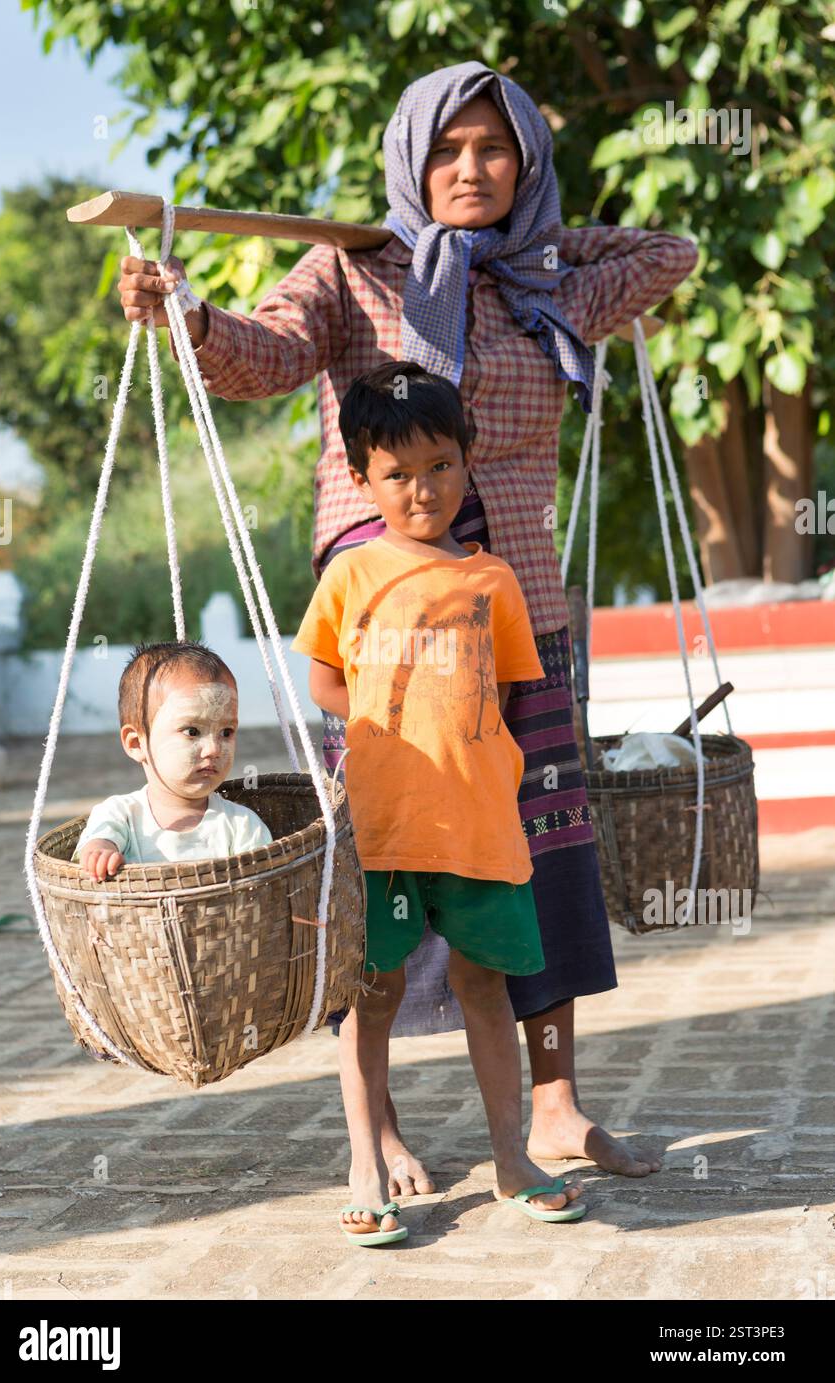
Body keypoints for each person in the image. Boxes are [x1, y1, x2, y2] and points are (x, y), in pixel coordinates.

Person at [117, 59, 698, 1184]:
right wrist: (185, 310)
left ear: (524, 162)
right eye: (444, 152)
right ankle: (372, 1123)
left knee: (537, 860)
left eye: (494, 150)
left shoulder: (548, 287)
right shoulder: (349, 270)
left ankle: (554, 1106)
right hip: (386, 633)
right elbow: (265, 353)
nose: (467, 169)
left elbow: (664, 254)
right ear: (408, 162)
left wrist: (526, 239)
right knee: (379, 868)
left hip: (515, 612)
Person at [292, 361, 587, 1242]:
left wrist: (455, 741)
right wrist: (393, 731)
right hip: (384, 828)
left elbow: (502, 692)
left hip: (480, 827)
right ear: (360, 480)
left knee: (486, 985)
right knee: (371, 992)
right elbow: (324, 683)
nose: (422, 490)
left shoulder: (493, 579)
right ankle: (365, 1163)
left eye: (440, 466)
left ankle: (512, 1157)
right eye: (397, 473)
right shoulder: (352, 574)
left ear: (468, 459)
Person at [73, 640, 273, 877]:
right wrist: (101, 852)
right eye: (192, 732)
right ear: (137, 743)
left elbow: (263, 886)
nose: (213, 749)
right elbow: (95, 845)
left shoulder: (241, 825)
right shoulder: (120, 815)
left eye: (226, 732)